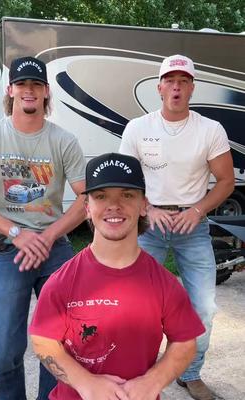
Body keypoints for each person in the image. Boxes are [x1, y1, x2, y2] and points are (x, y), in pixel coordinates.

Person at [0, 56, 86, 400]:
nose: (29, 91)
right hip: (8, 251)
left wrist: (46, 236)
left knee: (60, 344)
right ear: (11, 90)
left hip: (54, 249)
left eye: (36, 85)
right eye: (22, 84)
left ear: (45, 93)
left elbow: (86, 200)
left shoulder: (64, 141)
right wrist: (17, 233)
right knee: (2, 353)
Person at [29, 152, 205, 400]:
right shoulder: (62, 281)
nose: (114, 205)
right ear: (87, 208)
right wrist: (86, 383)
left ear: (144, 205)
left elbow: (185, 342)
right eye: (101, 196)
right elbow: (43, 340)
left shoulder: (164, 284)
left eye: (127, 195)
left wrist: (152, 381)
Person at [119, 54, 235, 400]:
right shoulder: (138, 129)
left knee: (202, 305)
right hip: (148, 226)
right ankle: (137, 371)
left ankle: (190, 372)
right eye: (170, 81)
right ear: (159, 88)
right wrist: (146, 208)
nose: (176, 87)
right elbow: (124, 181)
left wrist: (198, 211)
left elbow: (226, 181)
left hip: (192, 226)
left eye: (183, 81)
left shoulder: (209, 130)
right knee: (138, 304)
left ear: (192, 88)